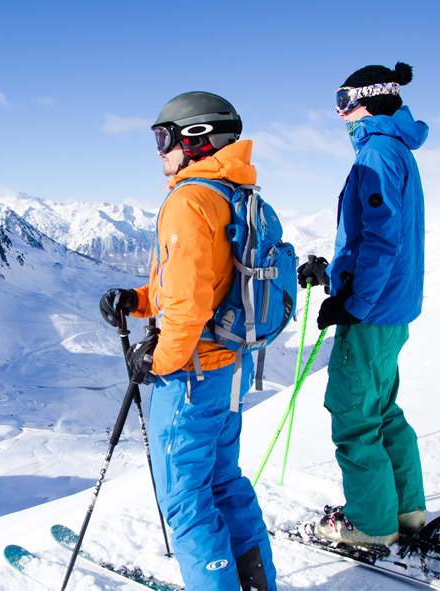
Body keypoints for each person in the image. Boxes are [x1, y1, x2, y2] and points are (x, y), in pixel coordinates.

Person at [100, 92, 276, 591]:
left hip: (192, 377)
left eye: (163, 138)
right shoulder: (233, 192)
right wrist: (137, 300)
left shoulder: (188, 200)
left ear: (196, 138)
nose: (159, 151)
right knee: (226, 483)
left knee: (186, 499)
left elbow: (188, 307)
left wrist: (158, 363)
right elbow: (200, 282)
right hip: (228, 369)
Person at [297, 61, 429, 546]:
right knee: (382, 408)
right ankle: (406, 511)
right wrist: (334, 275)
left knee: (354, 413)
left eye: (343, 101)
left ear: (367, 98)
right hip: (391, 307)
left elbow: (380, 241)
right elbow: (378, 238)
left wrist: (353, 303)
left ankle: (372, 526)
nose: (340, 113)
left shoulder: (375, 154)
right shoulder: (396, 150)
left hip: (372, 311)